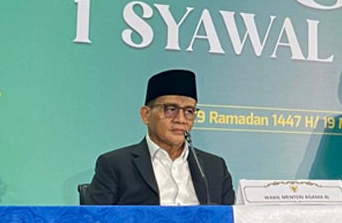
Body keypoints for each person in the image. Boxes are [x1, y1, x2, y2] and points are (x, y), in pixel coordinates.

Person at [87, 69, 235, 205]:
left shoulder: (215, 167)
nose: (181, 119)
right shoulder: (115, 165)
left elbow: (232, 220)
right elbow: (94, 221)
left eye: (189, 111)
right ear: (146, 115)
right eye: (170, 109)